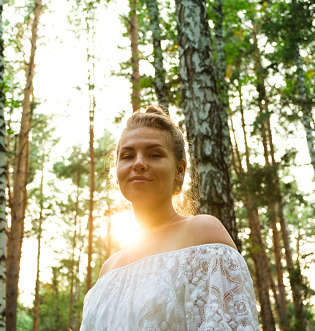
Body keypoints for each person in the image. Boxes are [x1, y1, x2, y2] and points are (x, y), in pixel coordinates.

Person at [80, 106, 259, 331]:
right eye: (127, 156)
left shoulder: (202, 234)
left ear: (180, 170)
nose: (138, 163)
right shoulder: (109, 268)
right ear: (117, 172)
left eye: (154, 154)